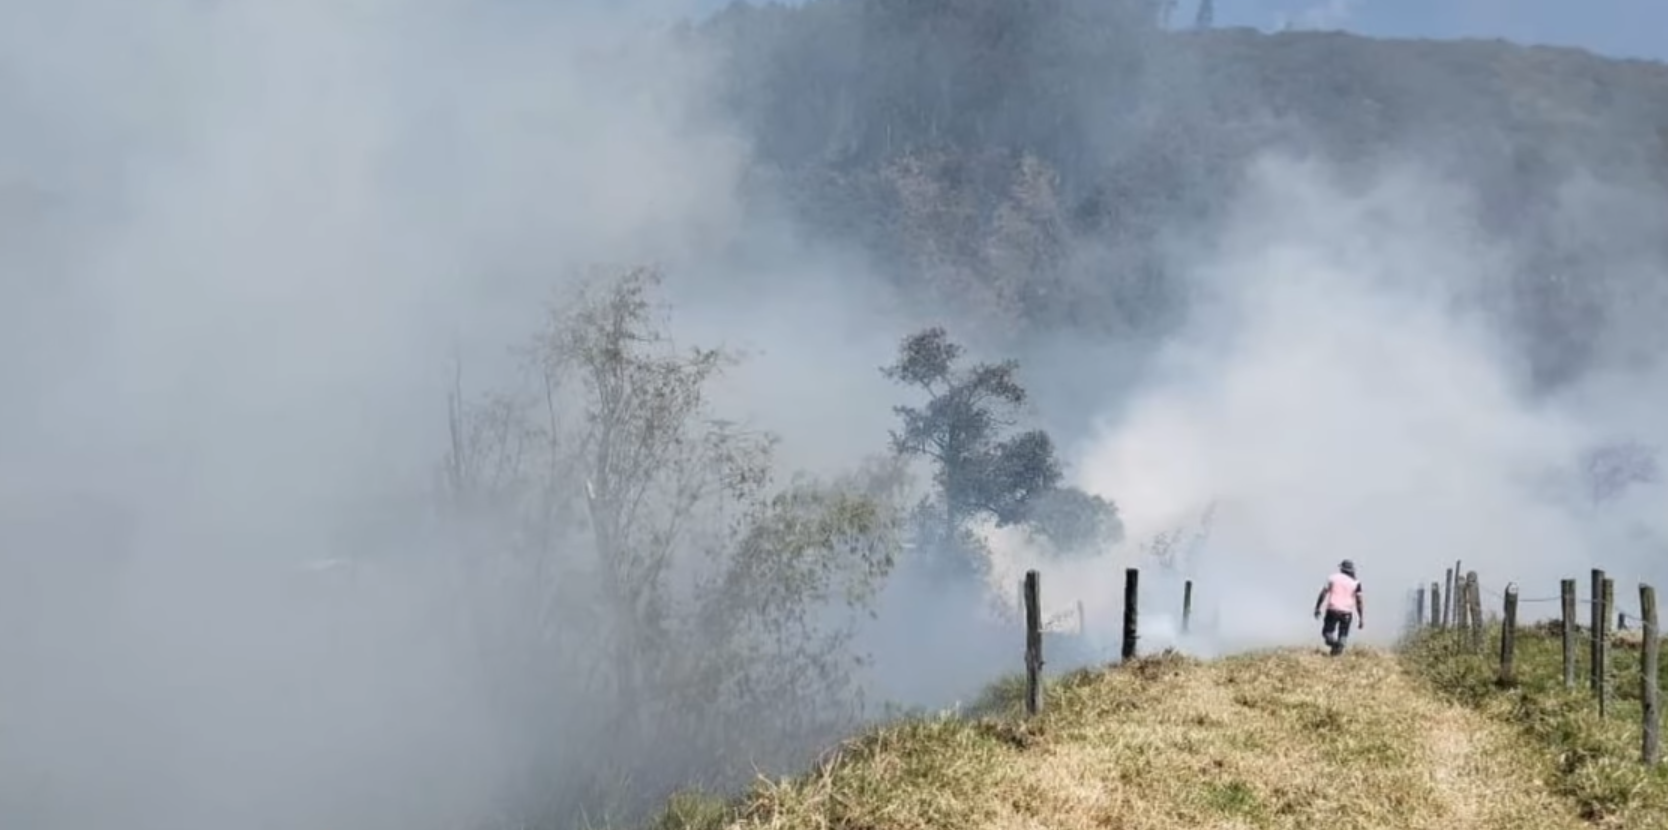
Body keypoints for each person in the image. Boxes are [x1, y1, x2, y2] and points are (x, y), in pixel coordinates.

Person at [1314, 559, 1364, 656]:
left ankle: (1334, 644)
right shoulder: (1356, 583)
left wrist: (1317, 607)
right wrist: (1361, 618)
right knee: (1343, 634)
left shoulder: (1332, 578)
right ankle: (1338, 649)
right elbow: (1359, 601)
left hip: (1333, 610)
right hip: (1347, 612)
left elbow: (1323, 593)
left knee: (1327, 633)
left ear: (1341, 568)